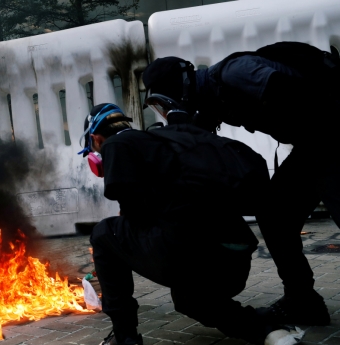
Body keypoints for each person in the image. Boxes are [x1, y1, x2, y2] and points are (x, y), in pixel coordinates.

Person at [141, 44, 340, 326]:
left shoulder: (235, 73)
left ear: (179, 88)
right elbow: (191, 141)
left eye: (164, 101)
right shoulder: (212, 98)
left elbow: (304, 97)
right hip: (314, 145)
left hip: (329, 135)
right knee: (275, 214)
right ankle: (303, 300)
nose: (164, 109)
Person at [79, 103, 304, 345]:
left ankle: (124, 338)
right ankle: (268, 331)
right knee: (187, 299)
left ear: (96, 139)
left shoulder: (117, 145)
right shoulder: (167, 139)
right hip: (234, 263)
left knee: (103, 234)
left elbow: (133, 219)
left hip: (189, 258)